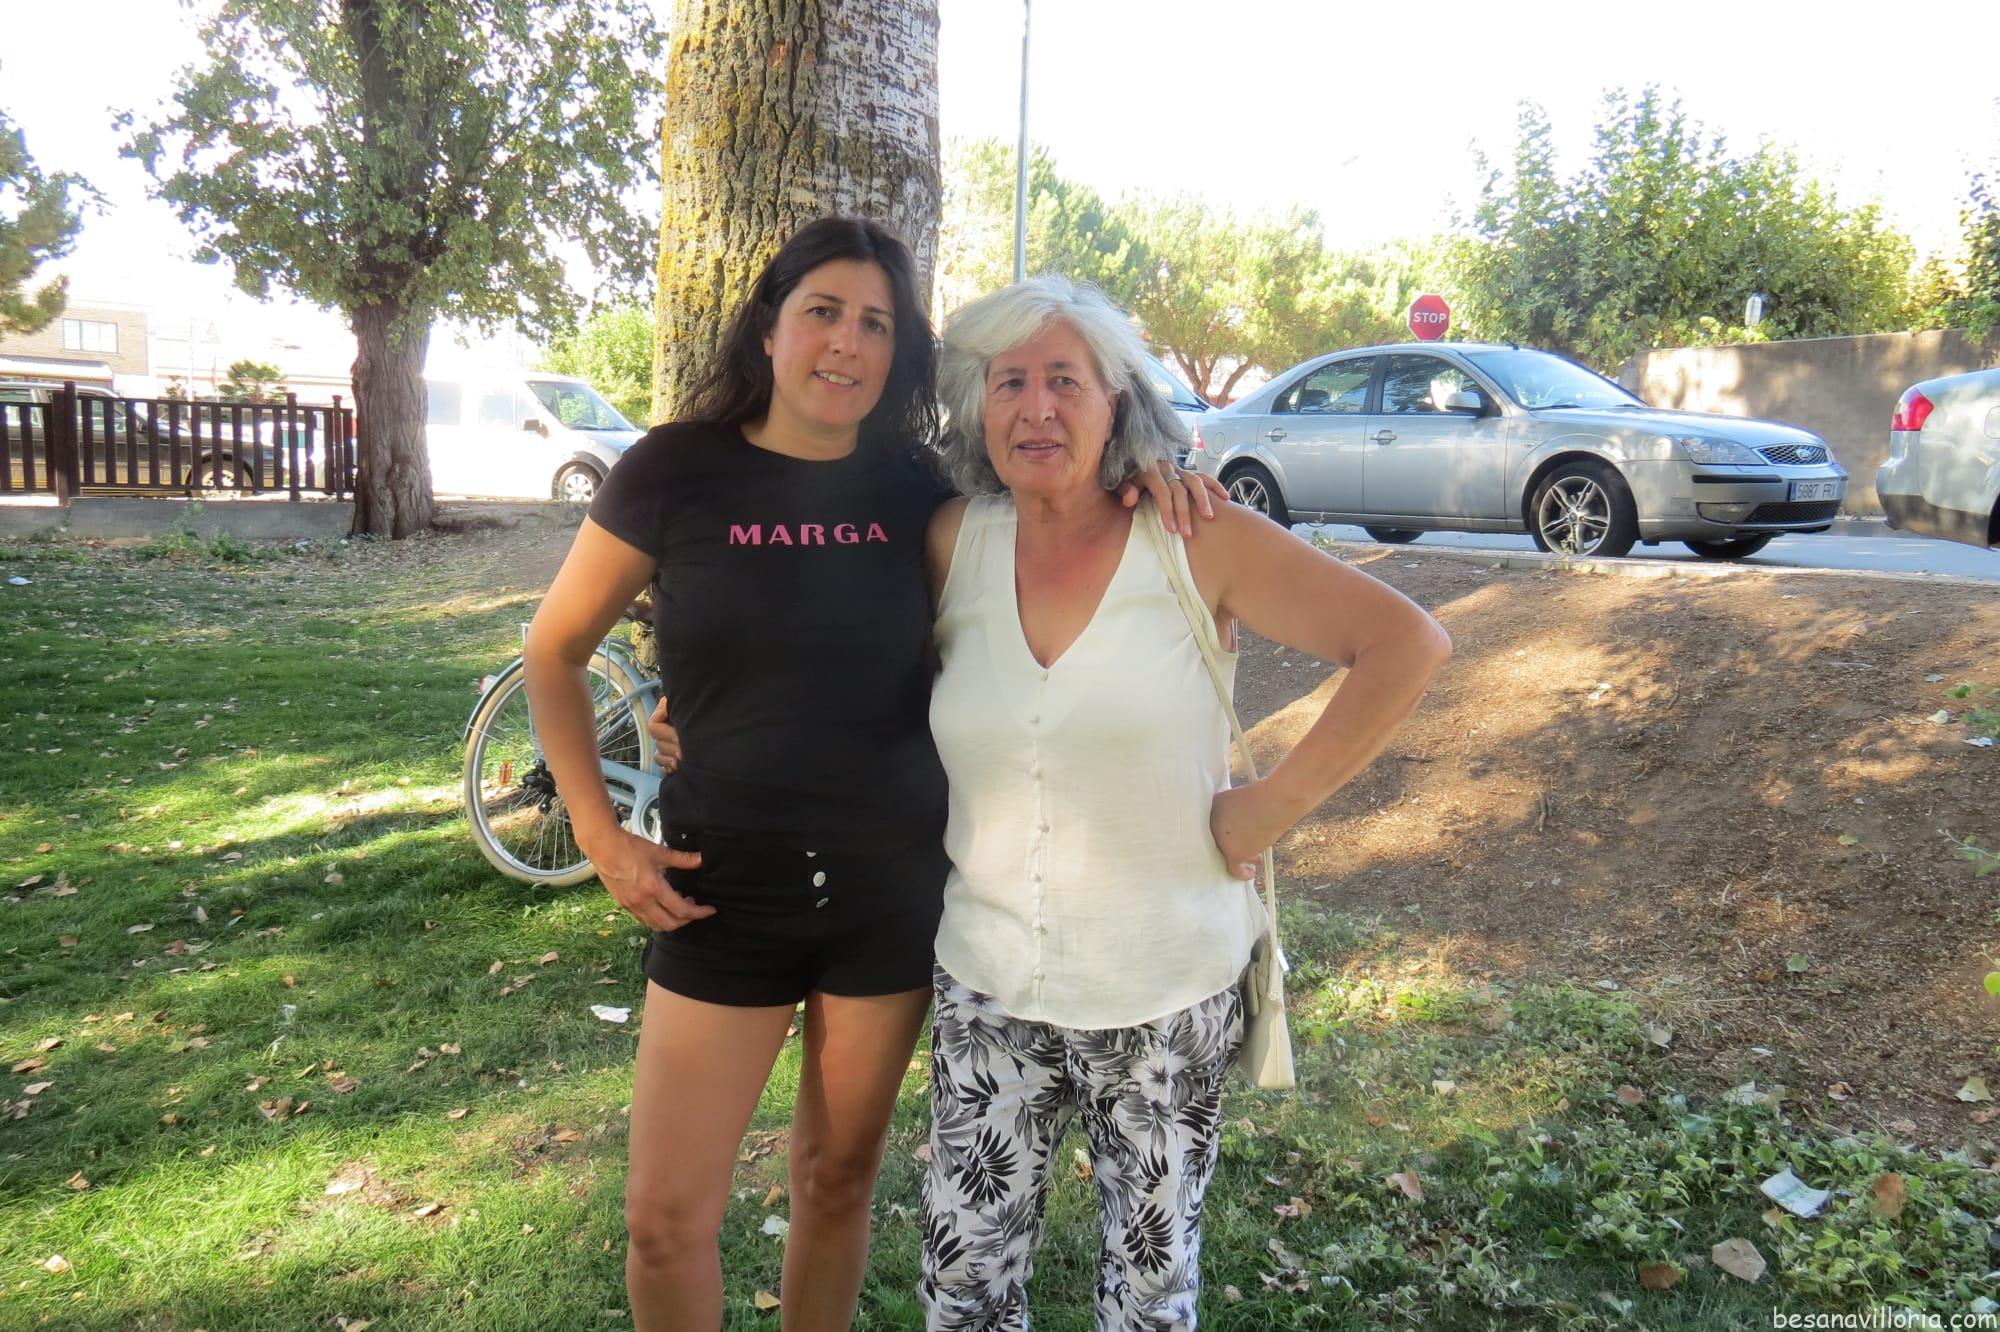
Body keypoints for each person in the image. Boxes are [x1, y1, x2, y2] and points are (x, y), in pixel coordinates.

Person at [521, 218, 1218, 1332]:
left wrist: (1153, 470)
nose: (847, 342)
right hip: (718, 892)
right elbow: (553, 652)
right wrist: (603, 836)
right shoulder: (673, 470)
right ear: (769, 325)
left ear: (901, 353)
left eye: (877, 324)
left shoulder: (922, 491)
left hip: (888, 895)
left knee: (837, 1180)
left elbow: (1057, 509)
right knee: (663, 1219)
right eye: (823, 312)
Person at [916, 276, 1453, 1329]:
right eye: (1008, 382)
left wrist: (1267, 808)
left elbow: (1405, 644)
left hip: (1159, 993)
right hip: (987, 985)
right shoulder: (950, 543)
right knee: (964, 1291)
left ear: (1116, 400)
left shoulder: (1194, 538)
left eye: (1065, 380)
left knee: (1149, 1301)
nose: (1035, 408)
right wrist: (693, 722)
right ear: (977, 407)